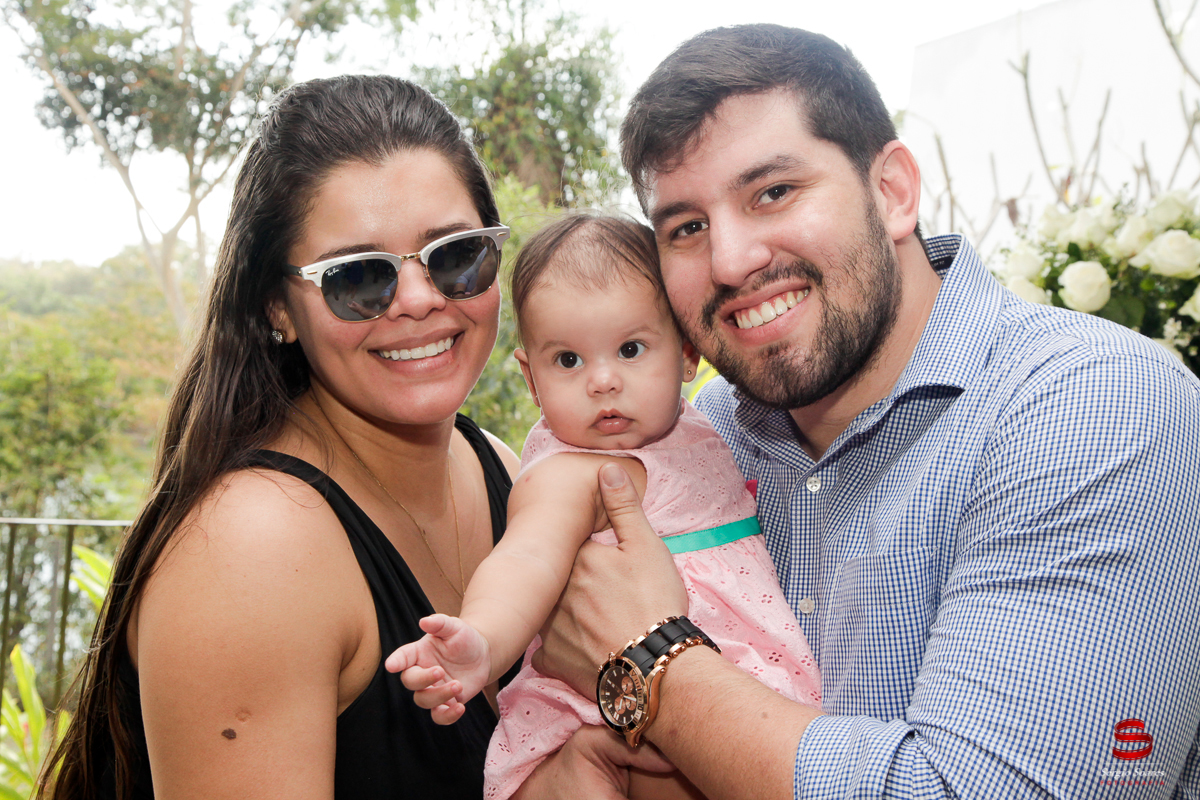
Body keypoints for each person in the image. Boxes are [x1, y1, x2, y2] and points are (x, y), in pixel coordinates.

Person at [518, 24, 1200, 800]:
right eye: (687, 228)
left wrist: (649, 662)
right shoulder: (702, 443)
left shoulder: (1092, 407)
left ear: (893, 191)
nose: (732, 260)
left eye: (773, 192)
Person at [40, 75, 529, 800]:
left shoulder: (503, 469)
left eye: (455, 255)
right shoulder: (254, 548)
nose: (421, 300)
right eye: (359, 278)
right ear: (278, 305)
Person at [385, 212, 822, 800]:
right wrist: (484, 642)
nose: (603, 381)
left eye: (631, 348)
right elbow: (527, 559)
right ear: (532, 379)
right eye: (568, 360)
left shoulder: (703, 427)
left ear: (688, 355)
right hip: (620, 711)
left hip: (720, 690)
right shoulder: (574, 473)